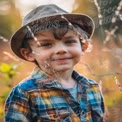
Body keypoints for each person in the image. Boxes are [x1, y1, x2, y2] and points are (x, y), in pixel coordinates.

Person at [4, 4, 105, 122]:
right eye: (46, 44)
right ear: (28, 54)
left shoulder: (92, 88)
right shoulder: (25, 92)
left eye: (69, 41)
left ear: (83, 47)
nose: (61, 50)